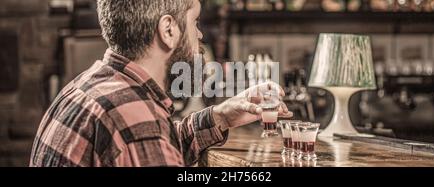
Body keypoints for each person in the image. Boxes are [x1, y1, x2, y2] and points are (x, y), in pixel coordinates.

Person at [30, 0, 292, 167]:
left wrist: (222, 116)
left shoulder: (84, 86)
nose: (199, 34)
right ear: (168, 31)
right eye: (195, 22)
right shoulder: (133, 116)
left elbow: (146, 146)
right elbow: (141, 138)